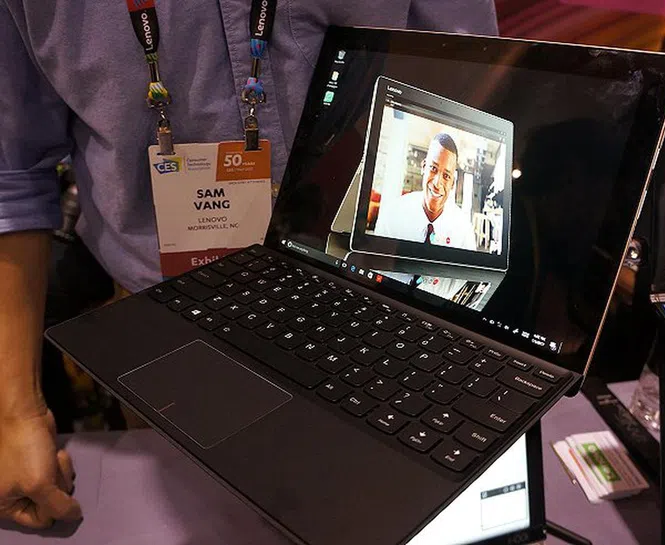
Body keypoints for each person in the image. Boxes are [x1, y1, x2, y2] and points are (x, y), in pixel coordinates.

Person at [0, 0, 499, 531]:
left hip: (373, 309)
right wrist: (16, 410)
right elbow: (12, 171)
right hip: (163, 326)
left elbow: (471, 77)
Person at [374, 133, 477, 250]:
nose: (437, 183)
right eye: (433, 168)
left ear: (452, 183)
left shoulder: (464, 230)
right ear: (423, 167)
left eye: (446, 176)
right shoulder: (392, 215)